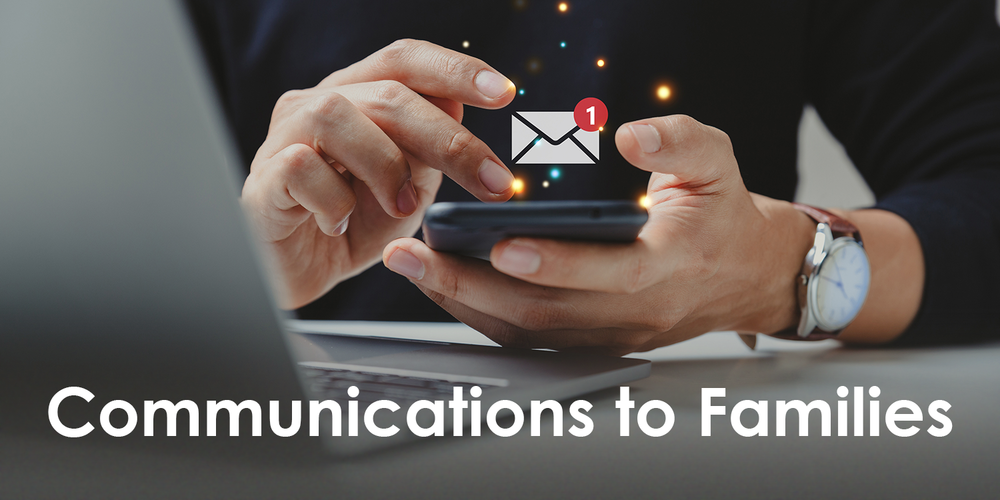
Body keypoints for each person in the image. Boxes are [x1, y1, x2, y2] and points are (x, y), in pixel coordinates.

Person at [186, 0, 1000, 355]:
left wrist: (786, 273)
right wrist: (235, 277)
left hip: (701, 442)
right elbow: (91, 225)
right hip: (292, 445)